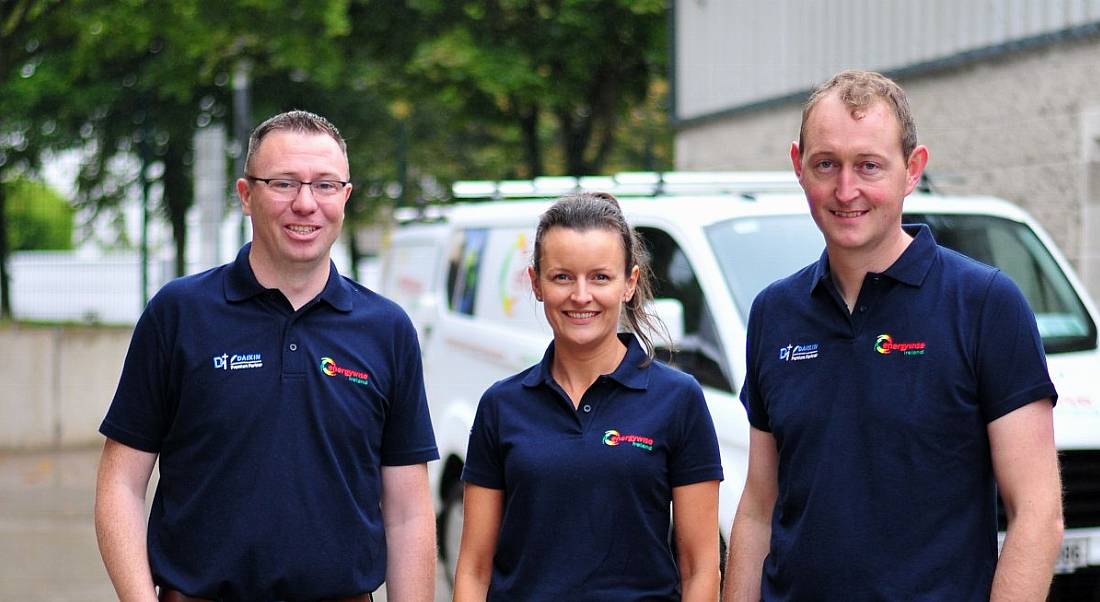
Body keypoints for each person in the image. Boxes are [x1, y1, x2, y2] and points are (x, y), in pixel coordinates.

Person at [721, 69, 1064, 601]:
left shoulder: (984, 304)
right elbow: (759, 509)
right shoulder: (775, 312)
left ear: (913, 170)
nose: (846, 190)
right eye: (826, 164)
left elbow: (1037, 512)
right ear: (798, 166)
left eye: (869, 166)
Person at [94, 110, 438, 602]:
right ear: (245, 195)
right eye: (283, 183)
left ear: (345, 197)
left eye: (324, 185)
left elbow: (407, 511)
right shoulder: (180, 314)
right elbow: (121, 483)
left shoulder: (387, 330)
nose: (305, 204)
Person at [452, 192, 724, 601]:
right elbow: (474, 570)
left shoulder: (678, 400)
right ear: (537, 283)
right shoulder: (500, 406)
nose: (581, 296)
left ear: (629, 283)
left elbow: (701, 568)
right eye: (563, 277)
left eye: (600, 277)